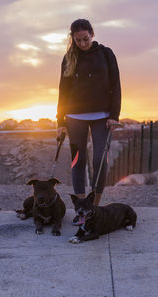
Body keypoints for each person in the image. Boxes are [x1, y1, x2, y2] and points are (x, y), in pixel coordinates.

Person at [56, 19, 121, 225]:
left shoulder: (106, 54)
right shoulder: (68, 58)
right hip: (74, 117)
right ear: (73, 39)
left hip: (102, 116)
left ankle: (95, 208)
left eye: (85, 39)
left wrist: (114, 115)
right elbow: (63, 92)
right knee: (78, 160)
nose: (83, 44)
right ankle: (81, 208)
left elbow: (116, 85)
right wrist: (60, 121)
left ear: (92, 34)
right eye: (78, 41)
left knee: (100, 160)